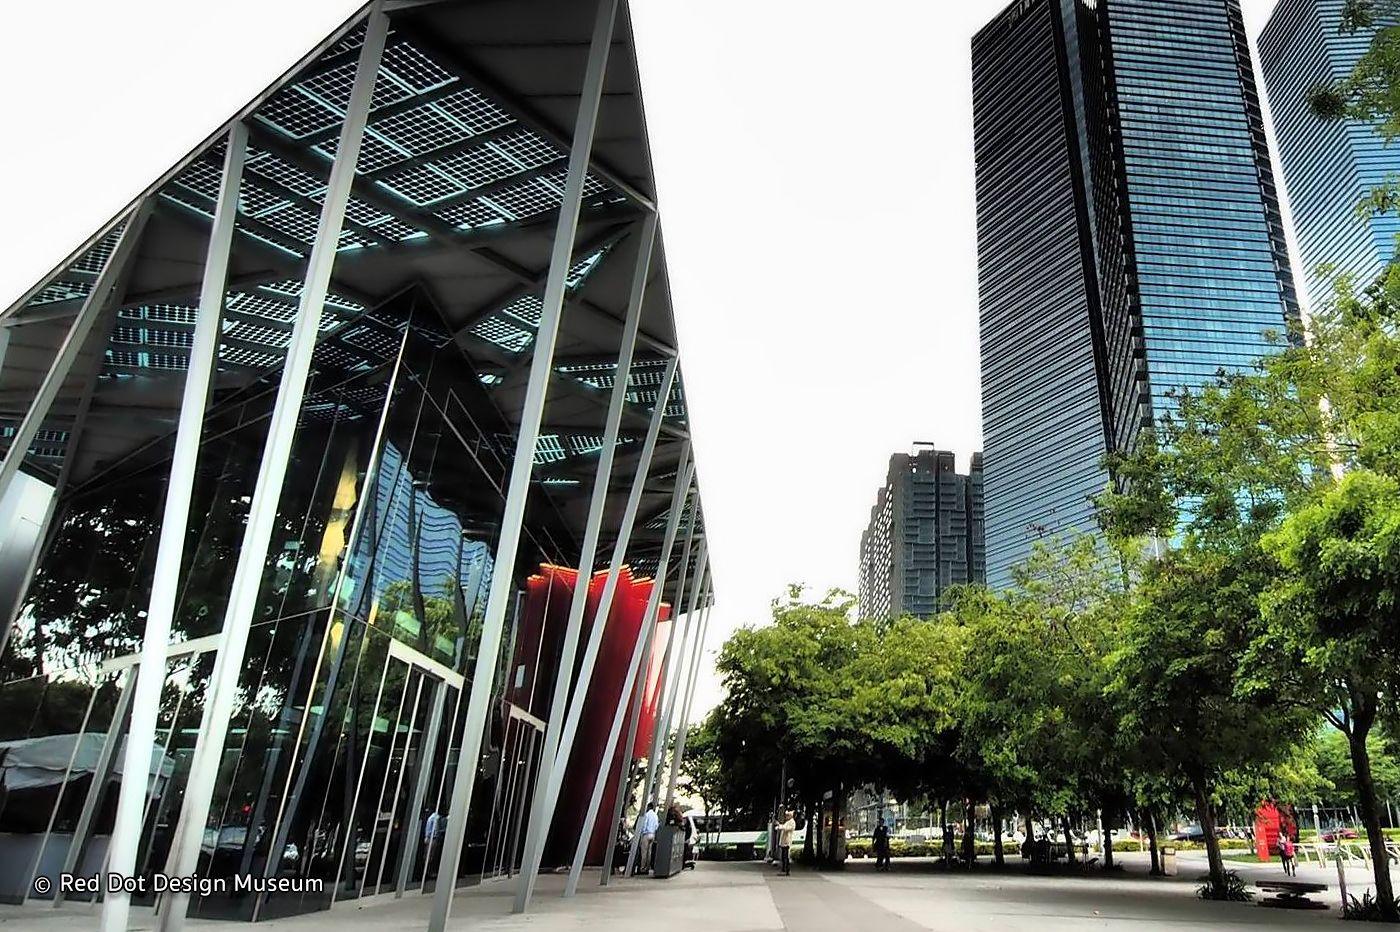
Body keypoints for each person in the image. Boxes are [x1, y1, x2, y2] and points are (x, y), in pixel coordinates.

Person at [637, 803, 659, 875]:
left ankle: (642, 868)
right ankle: (647, 867)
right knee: (649, 852)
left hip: (646, 834)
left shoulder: (647, 815)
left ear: (649, 807)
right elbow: (656, 825)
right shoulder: (655, 815)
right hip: (652, 834)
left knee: (644, 852)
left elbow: (644, 825)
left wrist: (642, 832)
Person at [776, 810, 796, 876]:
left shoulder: (792, 822)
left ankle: (787, 870)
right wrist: (779, 826)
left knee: (786, 856)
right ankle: (784, 869)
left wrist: (780, 826)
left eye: (787, 815)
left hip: (787, 841)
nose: (786, 816)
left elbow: (787, 828)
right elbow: (783, 827)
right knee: (783, 856)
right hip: (784, 841)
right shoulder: (788, 822)